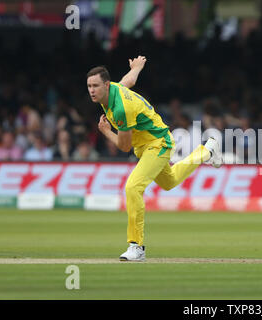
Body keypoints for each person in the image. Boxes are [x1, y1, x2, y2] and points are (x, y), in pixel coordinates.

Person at [87, 56, 222, 261]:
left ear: (106, 85)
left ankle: (136, 247)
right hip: (147, 145)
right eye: (89, 86)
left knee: (133, 188)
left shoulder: (121, 108)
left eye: (95, 85)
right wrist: (137, 68)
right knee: (169, 182)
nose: (91, 90)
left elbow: (124, 146)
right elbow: (129, 81)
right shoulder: (113, 90)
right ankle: (207, 151)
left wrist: (106, 131)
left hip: (157, 143)